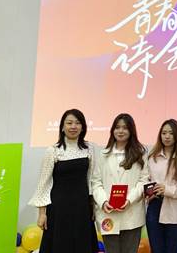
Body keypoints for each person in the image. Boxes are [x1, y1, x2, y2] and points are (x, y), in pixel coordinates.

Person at [29, 108, 98, 253]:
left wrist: (93, 206)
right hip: (58, 208)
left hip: (82, 207)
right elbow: (43, 184)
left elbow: (91, 178)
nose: (73, 126)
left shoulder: (89, 148)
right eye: (69, 123)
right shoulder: (53, 150)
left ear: (83, 127)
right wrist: (42, 214)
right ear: (62, 127)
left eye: (77, 123)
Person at [92, 113, 148, 253]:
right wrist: (103, 201)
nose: (121, 131)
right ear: (112, 130)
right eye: (117, 127)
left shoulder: (140, 154)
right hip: (108, 213)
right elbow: (96, 182)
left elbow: (143, 181)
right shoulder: (103, 154)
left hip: (132, 214)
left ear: (131, 131)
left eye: (125, 128)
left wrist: (129, 200)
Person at [146, 119, 177, 253]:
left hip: (174, 210)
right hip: (154, 207)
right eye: (164, 133)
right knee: (156, 249)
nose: (167, 136)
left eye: (171, 133)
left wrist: (167, 190)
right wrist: (148, 193)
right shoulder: (152, 157)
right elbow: (146, 180)